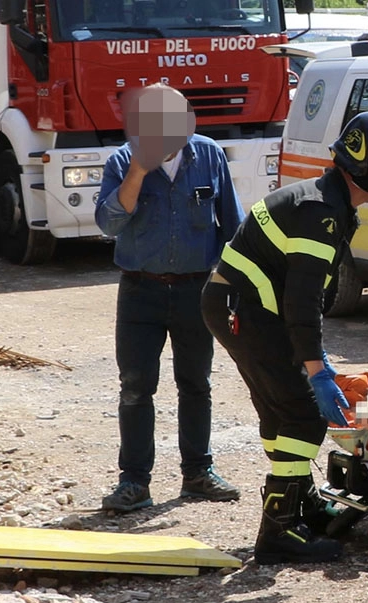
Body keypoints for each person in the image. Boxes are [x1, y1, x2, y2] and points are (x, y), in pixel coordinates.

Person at [201, 111, 368, 563]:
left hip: (239, 306)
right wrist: (315, 367)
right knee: (301, 415)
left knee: (280, 410)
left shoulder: (326, 201)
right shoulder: (321, 212)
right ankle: (278, 531)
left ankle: (297, 499)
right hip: (246, 310)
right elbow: (301, 301)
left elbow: (308, 298)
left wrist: (309, 358)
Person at [95, 84, 244, 513]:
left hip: (197, 291)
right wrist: (139, 173)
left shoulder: (210, 156)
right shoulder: (123, 160)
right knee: (136, 387)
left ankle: (198, 473)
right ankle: (134, 483)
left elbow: (231, 228)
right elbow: (108, 222)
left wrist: (235, 289)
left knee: (196, 384)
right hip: (140, 290)